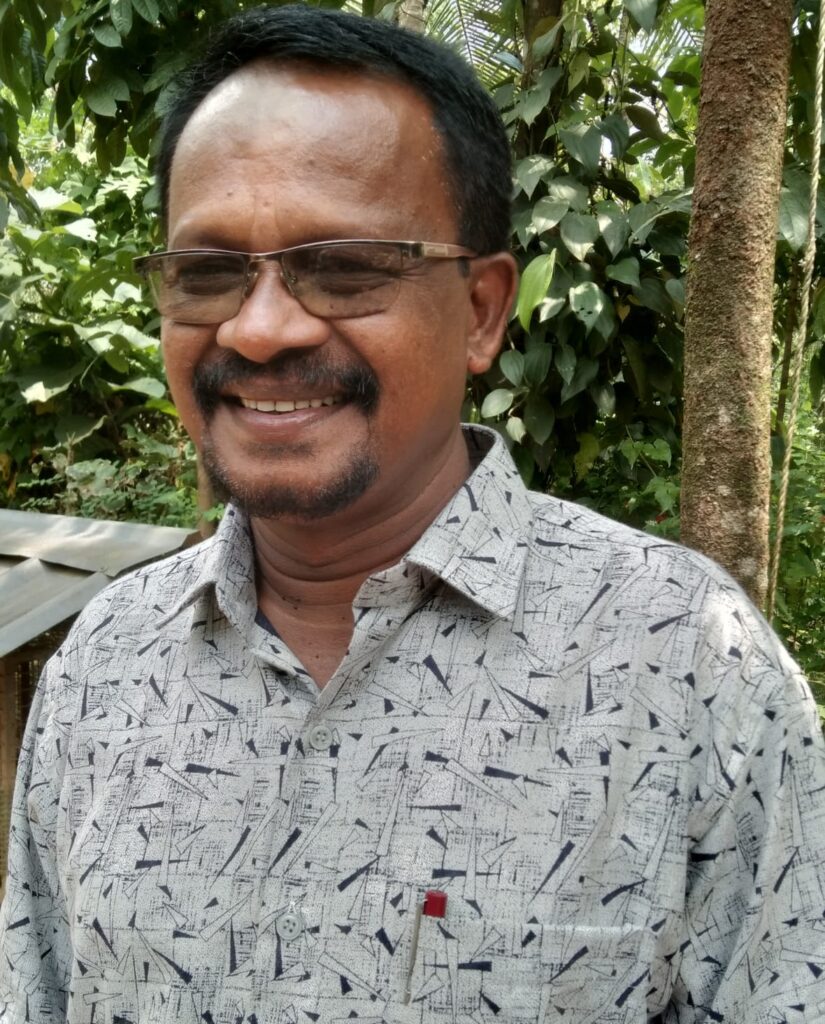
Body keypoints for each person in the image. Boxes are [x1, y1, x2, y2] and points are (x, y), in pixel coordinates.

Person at [2, 4, 824, 1022]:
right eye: (207, 273)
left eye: (344, 267)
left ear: (481, 311)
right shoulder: (102, 668)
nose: (259, 330)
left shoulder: (684, 667)